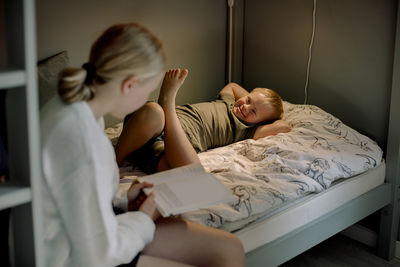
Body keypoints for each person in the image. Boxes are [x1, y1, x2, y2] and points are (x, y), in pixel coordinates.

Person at [40, 23, 245, 267]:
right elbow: (98, 254)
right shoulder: (83, 141)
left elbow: (80, 198)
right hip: (73, 253)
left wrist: (125, 202)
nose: (145, 99)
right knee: (224, 253)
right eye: (148, 90)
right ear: (129, 85)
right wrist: (143, 218)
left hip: (92, 231)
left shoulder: (77, 107)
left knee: (230, 247)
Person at [115, 71, 291, 173]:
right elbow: (232, 86)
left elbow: (283, 126)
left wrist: (266, 118)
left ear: (259, 123)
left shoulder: (246, 131)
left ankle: (168, 102)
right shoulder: (227, 101)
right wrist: (257, 102)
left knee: (191, 173)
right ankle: (115, 161)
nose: (245, 107)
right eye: (248, 100)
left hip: (168, 146)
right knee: (155, 112)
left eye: (253, 112)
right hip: (149, 125)